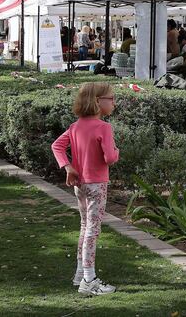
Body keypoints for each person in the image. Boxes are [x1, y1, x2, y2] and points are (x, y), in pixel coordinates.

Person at [51, 82, 119, 296]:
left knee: (84, 226)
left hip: (80, 185)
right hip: (97, 185)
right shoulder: (104, 128)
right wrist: (117, 151)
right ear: (98, 102)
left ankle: (80, 273)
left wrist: (69, 167)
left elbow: (57, 146)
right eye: (111, 98)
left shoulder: (75, 126)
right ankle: (90, 280)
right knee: (93, 230)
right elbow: (109, 158)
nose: (114, 102)